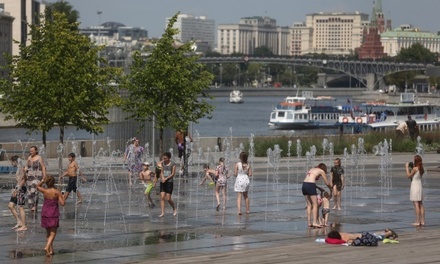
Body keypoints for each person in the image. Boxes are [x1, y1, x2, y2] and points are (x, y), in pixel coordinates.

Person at [36, 175, 65, 257]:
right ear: (54, 182)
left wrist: (42, 180)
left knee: (48, 233)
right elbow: (62, 203)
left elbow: (37, 186)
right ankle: (47, 247)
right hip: (53, 214)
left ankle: (50, 251)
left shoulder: (45, 191)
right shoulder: (57, 192)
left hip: (45, 213)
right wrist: (62, 196)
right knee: (53, 233)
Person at [302, 163, 331, 228]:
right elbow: (327, 183)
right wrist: (330, 188)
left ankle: (309, 222)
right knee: (315, 204)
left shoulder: (312, 169)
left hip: (304, 184)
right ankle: (314, 222)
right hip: (310, 185)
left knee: (309, 204)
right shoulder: (321, 171)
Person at [8, 156, 27, 231]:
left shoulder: (22, 169)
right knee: (10, 206)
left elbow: (23, 180)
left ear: (15, 161)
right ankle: (19, 222)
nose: (11, 164)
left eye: (12, 162)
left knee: (20, 207)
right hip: (17, 189)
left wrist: (17, 190)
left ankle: (24, 226)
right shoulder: (19, 169)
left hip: (21, 189)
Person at [24, 145, 46, 212]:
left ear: (36, 151)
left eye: (32, 151)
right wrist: (24, 171)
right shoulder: (29, 158)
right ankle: (32, 206)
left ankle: (34, 205)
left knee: (34, 189)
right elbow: (26, 166)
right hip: (30, 177)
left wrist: (44, 176)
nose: (31, 152)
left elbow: (43, 167)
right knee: (30, 192)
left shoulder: (39, 158)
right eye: (30, 151)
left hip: (37, 176)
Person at [406, 154, 425, 226]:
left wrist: (407, 167)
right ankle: (422, 221)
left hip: (414, 185)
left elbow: (408, 176)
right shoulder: (421, 168)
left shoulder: (415, 169)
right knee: (421, 203)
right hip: (419, 185)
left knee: (416, 204)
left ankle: (417, 221)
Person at [159, 152, 177, 217]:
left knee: (168, 198)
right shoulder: (162, 163)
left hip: (169, 181)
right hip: (163, 181)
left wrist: (166, 178)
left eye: (165, 158)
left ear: (169, 158)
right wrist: (163, 178)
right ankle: (162, 212)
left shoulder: (173, 164)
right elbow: (161, 172)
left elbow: (173, 173)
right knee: (162, 197)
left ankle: (174, 208)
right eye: (163, 158)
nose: (164, 159)